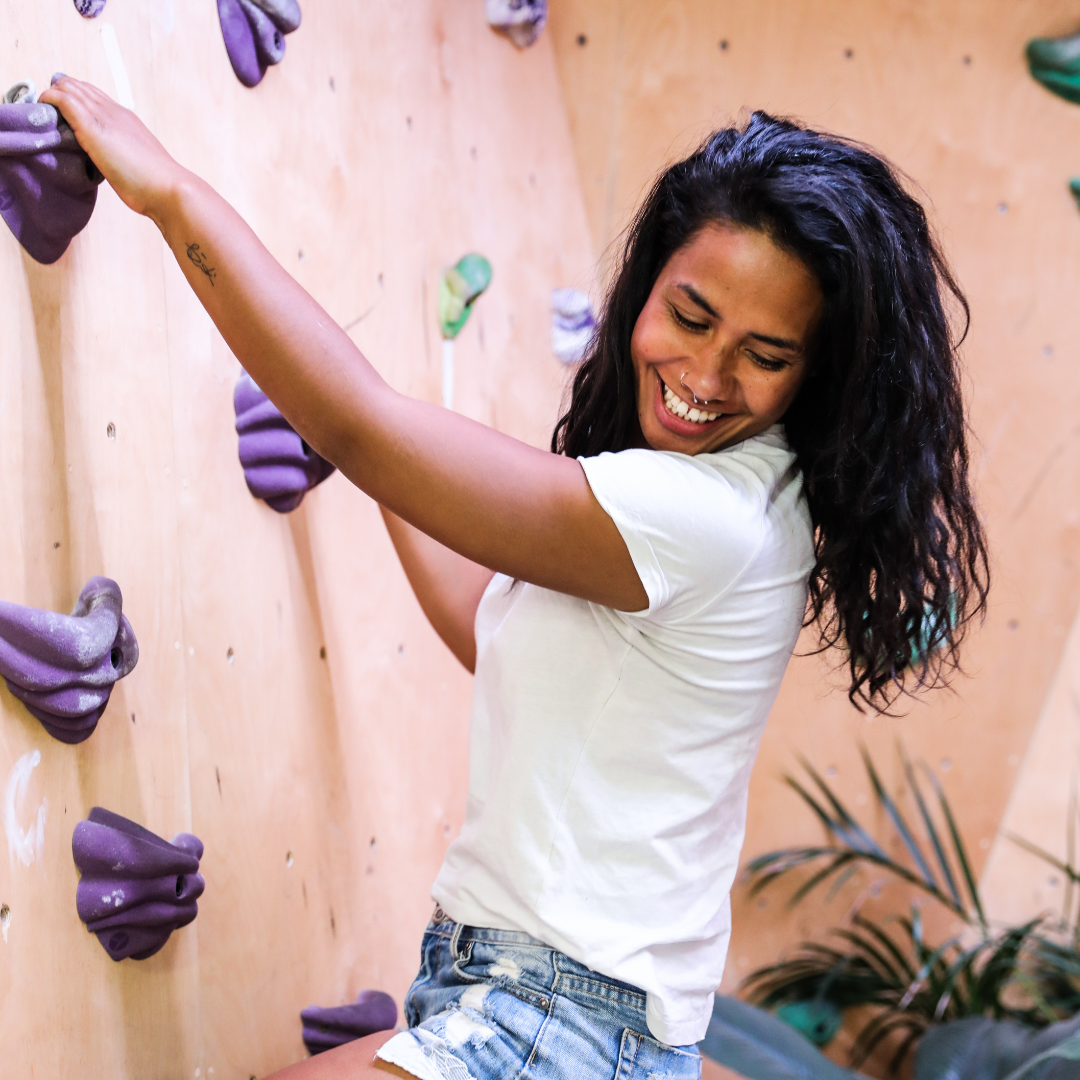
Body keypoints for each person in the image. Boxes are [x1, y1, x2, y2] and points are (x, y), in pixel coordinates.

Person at [40, 78, 989, 1080]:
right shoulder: (739, 498)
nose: (707, 376)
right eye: (692, 315)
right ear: (648, 281)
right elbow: (478, 617)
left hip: (555, 1021)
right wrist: (391, 478)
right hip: (549, 1011)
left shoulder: (707, 516)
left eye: (763, 355)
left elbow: (360, 421)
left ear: (815, 372)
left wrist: (174, 196)